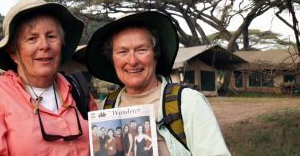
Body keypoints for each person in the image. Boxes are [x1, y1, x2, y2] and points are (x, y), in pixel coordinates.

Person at [85, 11, 231, 155]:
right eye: (122, 52)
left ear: (155, 54)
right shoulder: (108, 106)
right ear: (112, 59)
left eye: (141, 50)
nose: (132, 61)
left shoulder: (188, 102)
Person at [0, 0, 98, 156]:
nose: (44, 46)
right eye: (32, 38)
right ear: (13, 52)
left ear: (62, 45)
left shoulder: (78, 91)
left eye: (52, 36)